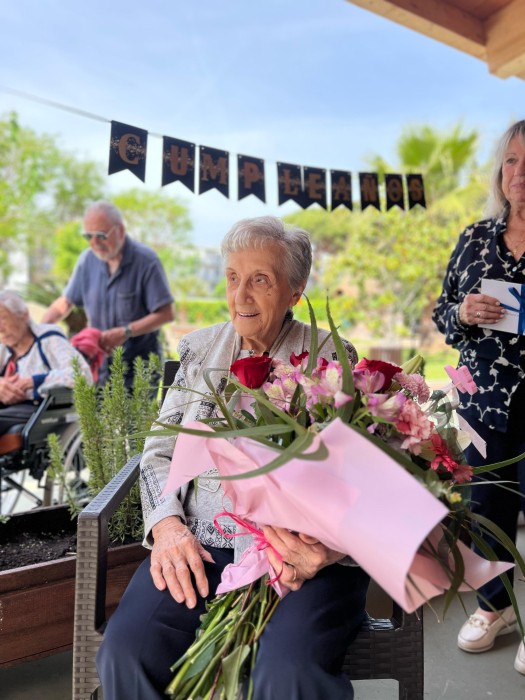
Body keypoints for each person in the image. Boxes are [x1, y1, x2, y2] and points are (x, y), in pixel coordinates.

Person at [96, 216, 370, 699]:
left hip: (299, 554)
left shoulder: (331, 357)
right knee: (127, 650)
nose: (240, 295)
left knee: (285, 671)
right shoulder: (200, 350)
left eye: (260, 280)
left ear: (295, 291)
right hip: (201, 543)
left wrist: (326, 547)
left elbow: (357, 474)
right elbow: (159, 452)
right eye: (232, 277)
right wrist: (167, 527)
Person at [432, 119, 525, 676]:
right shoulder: (474, 238)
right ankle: (497, 608)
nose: (520, 173)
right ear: (500, 171)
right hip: (484, 404)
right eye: (512, 161)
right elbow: (442, 311)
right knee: (487, 509)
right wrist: (463, 312)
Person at [42, 200, 175, 388]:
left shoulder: (146, 261)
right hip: (99, 367)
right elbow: (65, 302)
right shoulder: (87, 260)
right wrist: (40, 329)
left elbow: (166, 313)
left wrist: (126, 331)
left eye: (101, 235)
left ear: (120, 230)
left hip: (139, 371)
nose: (94, 243)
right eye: (88, 236)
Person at [0, 290, 92, 437]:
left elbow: (81, 374)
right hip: (10, 411)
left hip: (41, 412)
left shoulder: (49, 340)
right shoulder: (3, 349)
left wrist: (34, 381)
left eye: (3, 318)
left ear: (24, 315)